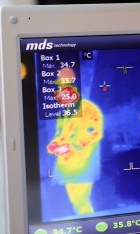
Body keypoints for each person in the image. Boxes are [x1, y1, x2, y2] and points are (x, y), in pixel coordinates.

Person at [47, 67, 104, 215]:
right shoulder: (63, 111)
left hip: (84, 162)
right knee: (76, 203)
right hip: (67, 164)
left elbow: (95, 133)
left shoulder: (90, 109)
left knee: (81, 201)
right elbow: (59, 133)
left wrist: (72, 145)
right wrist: (54, 144)